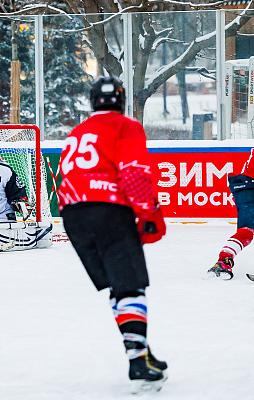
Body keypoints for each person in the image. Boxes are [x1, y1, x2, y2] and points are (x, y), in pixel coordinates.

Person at [58, 76, 167, 393]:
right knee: (130, 285)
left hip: (72, 214)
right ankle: (137, 359)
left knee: (119, 286)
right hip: (108, 209)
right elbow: (133, 171)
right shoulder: (126, 125)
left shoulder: (77, 132)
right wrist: (149, 212)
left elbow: (67, 175)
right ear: (120, 100)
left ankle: (140, 351)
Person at [208, 150, 254, 279]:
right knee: (246, 231)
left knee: (246, 232)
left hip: (245, 187)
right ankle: (223, 261)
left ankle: (222, 262)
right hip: (248, 187)